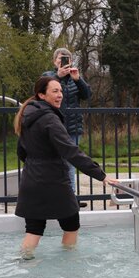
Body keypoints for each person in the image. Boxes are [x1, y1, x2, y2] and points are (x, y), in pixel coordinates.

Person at [14, 76, 117, 260]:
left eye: (60, 91)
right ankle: (68, 264)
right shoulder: (49, 119)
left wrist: (34, 168)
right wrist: (100, 175)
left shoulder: (26, 116)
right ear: (41, 95)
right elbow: (70, 151)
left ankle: (23, 265)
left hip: (31, 179)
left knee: (34, 230)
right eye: (55, 91)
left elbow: (22, 151)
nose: (60, 95)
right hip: (53, 181)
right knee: (71, 224)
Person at [42, 47, 92, 207]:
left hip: (72, 128)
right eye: (60, 60)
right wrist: (59, 76)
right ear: (54, 61)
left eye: (67, 60)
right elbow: (41, 93)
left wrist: (78, 79)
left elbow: (87, 95)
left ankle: (70, 198)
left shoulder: (75, 78)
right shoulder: (47, 76)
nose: (63, 63)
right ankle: (50, 197)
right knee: (51, 162)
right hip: (52, 126)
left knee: (70, 163)